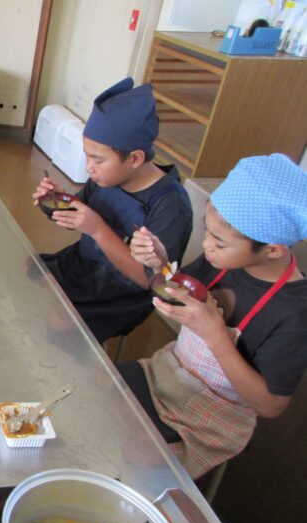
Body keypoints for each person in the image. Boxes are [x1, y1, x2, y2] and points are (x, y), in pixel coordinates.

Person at [123, 153, 307, 479]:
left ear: (273, 249)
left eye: (218, 242)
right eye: (207, 232)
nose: (206, 247)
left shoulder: (293, 314)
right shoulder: (222, 260)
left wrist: (215, 334)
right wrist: (160, 265)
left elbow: (270, 406)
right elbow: (175, 292)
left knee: (136, 455)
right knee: (94, 389)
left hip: (214, 419)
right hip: (167, 374)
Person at [34, 77, 192, 342]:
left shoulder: (170, 205)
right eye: (87, 156)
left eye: (98, 160)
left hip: (122, 292)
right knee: (22, 274)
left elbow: (149, 280)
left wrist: (97, 229)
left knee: (58, 326)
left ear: (135, 158)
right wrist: (53, 201)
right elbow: (78, 212)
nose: (89, 168)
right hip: (85, 266)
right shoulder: (105, 177)